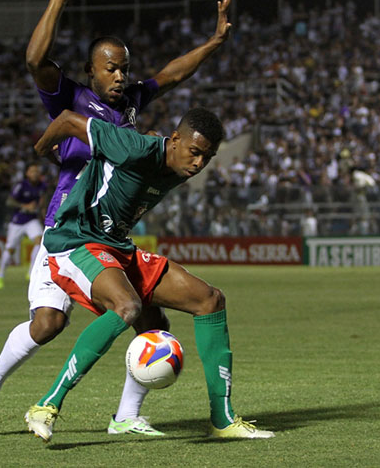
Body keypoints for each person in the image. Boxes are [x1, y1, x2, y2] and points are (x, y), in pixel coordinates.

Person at [0, 0, 233, 437]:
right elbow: (33, 60)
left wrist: (213, 42)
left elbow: (172, 74)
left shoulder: (129, 105)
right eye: (110, 69)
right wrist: (58, 0)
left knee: (150, 321)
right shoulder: (69, 98)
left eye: (124, 69)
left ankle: (126, 416)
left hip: (109, 234)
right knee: (47, 326)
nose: (119, 77)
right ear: (91, 72)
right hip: (66, 229)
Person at [24, 108, 273, 441]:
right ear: (175, 141)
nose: (199, 163)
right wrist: (41, 152)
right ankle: (46, 406)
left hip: (118, 246)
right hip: (75, 240)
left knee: (208, 301)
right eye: (195, 152)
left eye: (208, 157)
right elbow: (69, 120)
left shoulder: (179, 166)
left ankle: (221, 420)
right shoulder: (133, 147)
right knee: (127, 306)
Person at [0, 163, 46, 288]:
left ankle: (31, 272)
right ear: (27, 173)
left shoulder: (42, 186)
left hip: (32, 220)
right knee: (10, 249)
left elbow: (42, 201)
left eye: (37, 171)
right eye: (32, 171)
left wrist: (41, 210)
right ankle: (0, 275)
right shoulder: (21, 185)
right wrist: (25, 206)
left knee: (39, 241)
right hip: (17, 221)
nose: (35, 173)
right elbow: (10, 201)